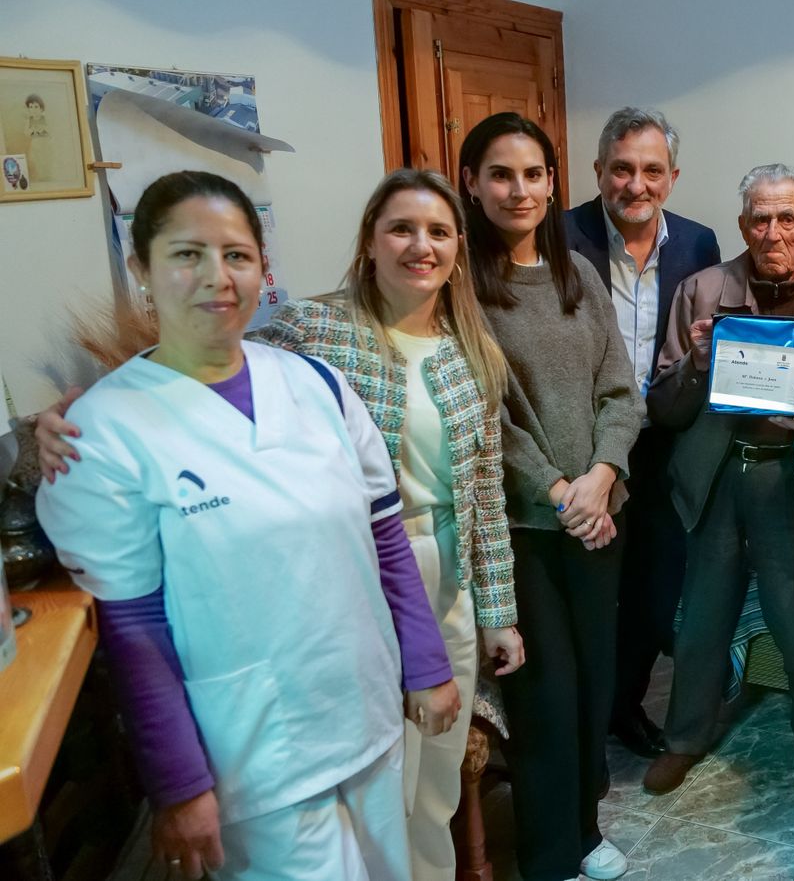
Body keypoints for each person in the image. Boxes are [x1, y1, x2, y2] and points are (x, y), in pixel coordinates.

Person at [36, 169, 527, 881]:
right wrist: (178, 780)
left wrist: (430, 661)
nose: (217, 276)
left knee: (415, 838)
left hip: (365, 705)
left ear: (263, 268)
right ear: (141, 269)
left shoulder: (314, 385)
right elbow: (134, 627)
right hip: (254, 748)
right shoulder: (106, 430)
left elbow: (384, 532)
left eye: (237, 255)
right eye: (187, 254)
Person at [642, 163, 794, 807]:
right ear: (742, 224)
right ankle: (685, 738)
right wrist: (694, 365)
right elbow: (663, 405)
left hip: (790, 478)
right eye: (758, 219)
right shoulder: (701, 290)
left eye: (787, 219)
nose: (772, 232)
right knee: (701, 619)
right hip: (715, 476)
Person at [460, 112, 644, 881]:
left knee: (594, 685)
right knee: (545, 696)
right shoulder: (463, 287)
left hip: (600, 518)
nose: (519, 190)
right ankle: (546, 855)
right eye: (501, 174)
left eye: (534, 174)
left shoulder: (579, 274)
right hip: (526, 531)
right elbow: (487, 415)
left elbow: (620, 392)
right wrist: (564, 491)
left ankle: (584, 831)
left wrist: (602, 478)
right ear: (471, 183)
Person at [564, 107, 721, 759]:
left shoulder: (697, 243)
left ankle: (624, 707)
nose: (636, 184)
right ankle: (582, 724)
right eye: (622, 168)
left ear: (672, 177)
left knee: (655, 595)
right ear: (599, 170)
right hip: (586, 444)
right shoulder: (559, 235)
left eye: (651, 170)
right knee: (591, 595)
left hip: (664, 445)